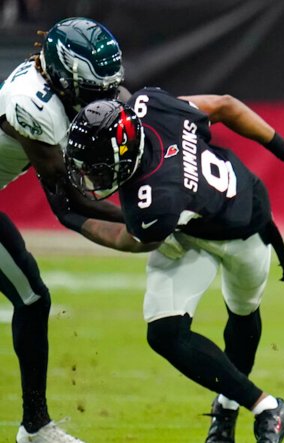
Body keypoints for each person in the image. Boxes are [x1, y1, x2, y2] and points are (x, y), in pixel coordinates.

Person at [45, 88, 284, 443]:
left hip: (243, 227)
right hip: (200, 219)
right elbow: (226, 105)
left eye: (97, 167)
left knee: (243, 311)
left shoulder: (156, 200)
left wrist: (72, 219)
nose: (91, 175)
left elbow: (130, 238)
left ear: (123, 157)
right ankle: (267, 408)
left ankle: (227, 413)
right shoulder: (149, 106)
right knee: (165, 332)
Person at [0, 17, 125, 443]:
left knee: (33, 300)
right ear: (63, 73)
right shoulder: (31, 106)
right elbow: (69, 202)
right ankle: (35, 428)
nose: (102, 95)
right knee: (33, 299)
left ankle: (35, 426)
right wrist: (146, 220)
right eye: (93, 87)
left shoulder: (57, 84)